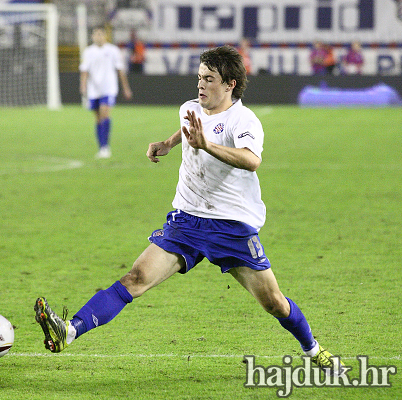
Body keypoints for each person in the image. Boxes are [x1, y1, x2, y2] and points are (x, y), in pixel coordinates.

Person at [35, 46, 344, 376]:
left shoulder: (244, 120)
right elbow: (190, 129)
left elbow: (252, 160)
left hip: (231, 226)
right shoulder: (190, 109)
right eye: (199, 77)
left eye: (209, 79)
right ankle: (69, 330)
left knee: (273, 302)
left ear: (230, 84)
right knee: (135, 278)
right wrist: (168, 144)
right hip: (188, 221)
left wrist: (206, 145)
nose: (200, 85)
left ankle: (313, 350)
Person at [80, 26, 132, 159]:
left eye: (101, 34)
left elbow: (120, 70)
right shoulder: (88, 51)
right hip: (93, 90)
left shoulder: (113, 50)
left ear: (105, 36)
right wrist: (83, 85)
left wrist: (126, 88)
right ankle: (101, 146)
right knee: (98, 118)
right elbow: (84, 70)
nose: (98, 37)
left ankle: (105, 147)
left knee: (104, 114)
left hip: (108, 88)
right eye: (96, 34)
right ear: (92, 37)